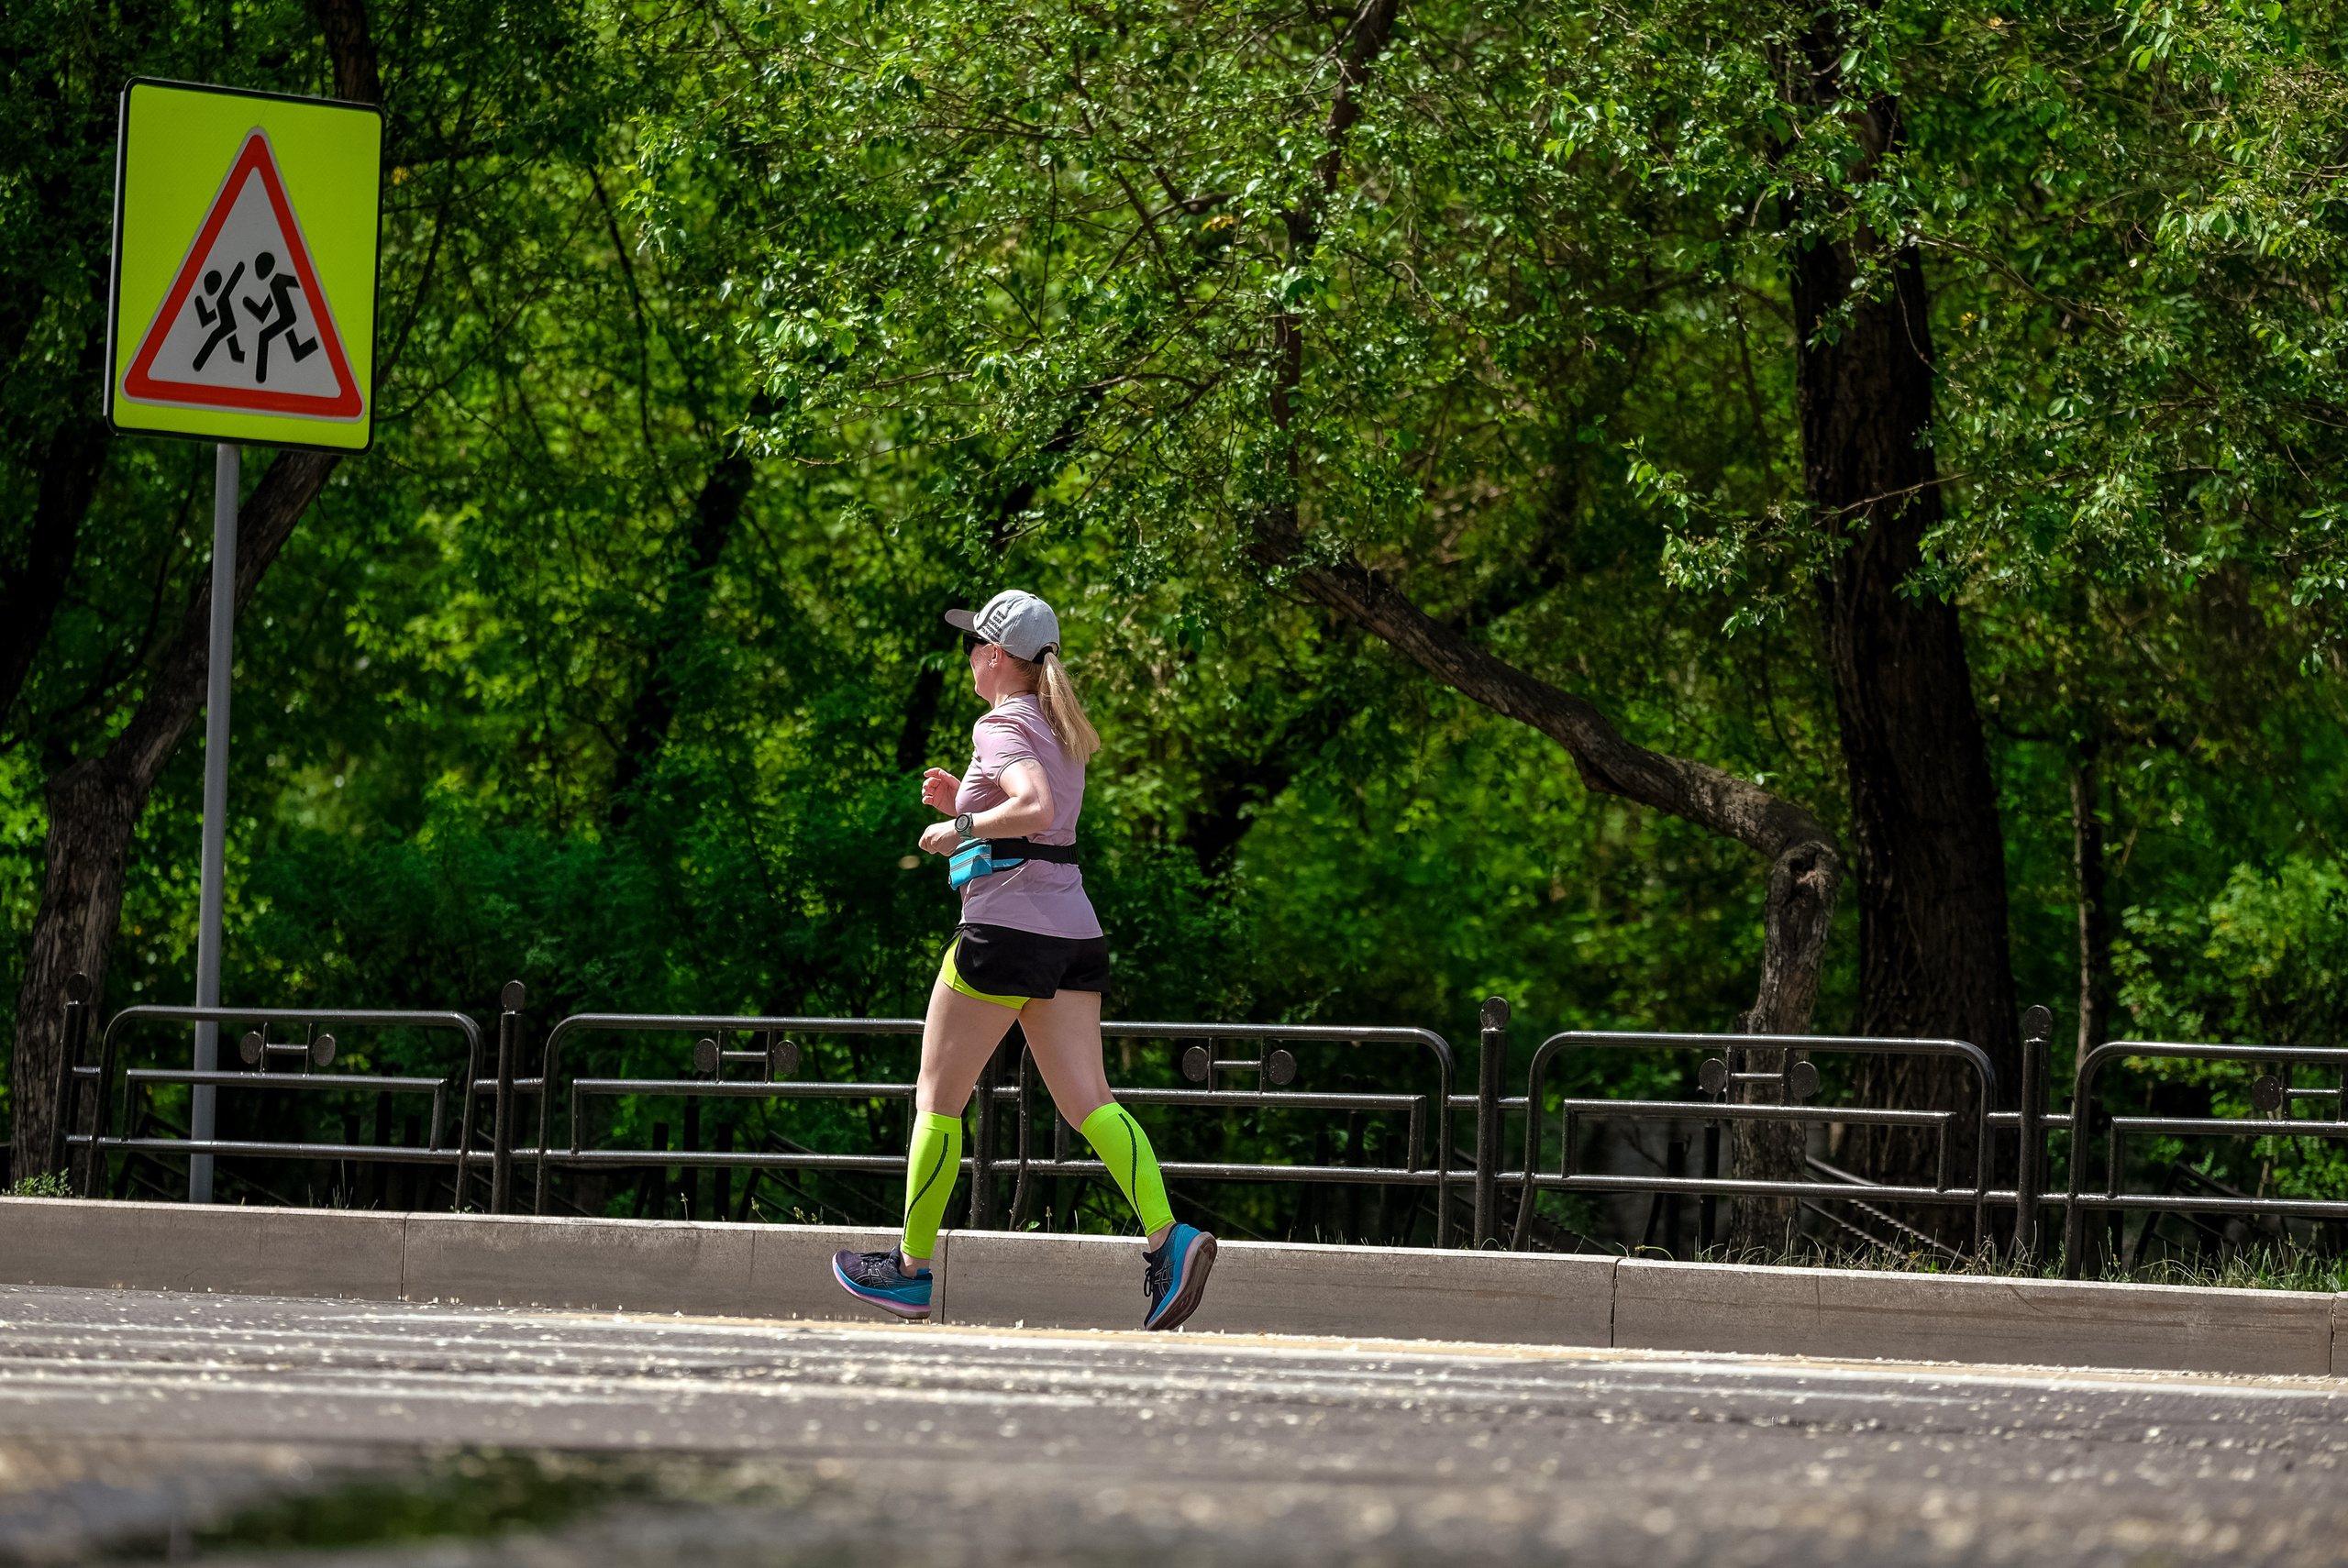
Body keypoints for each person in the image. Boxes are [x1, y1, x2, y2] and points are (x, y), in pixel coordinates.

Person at [831, 590, 1217, 1331]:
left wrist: (961, 824)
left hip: (1003, 933)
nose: (970, 656)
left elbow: (1031, 807)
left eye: (975, 644)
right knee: (1090, 1103)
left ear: (996, 656)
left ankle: (909, 1272)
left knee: (938, 1100)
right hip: (1072, 933)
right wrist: (960, 802)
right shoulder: (1058, 725)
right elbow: (1041, 822)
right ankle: (1173, 1238)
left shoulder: (1000, 721)